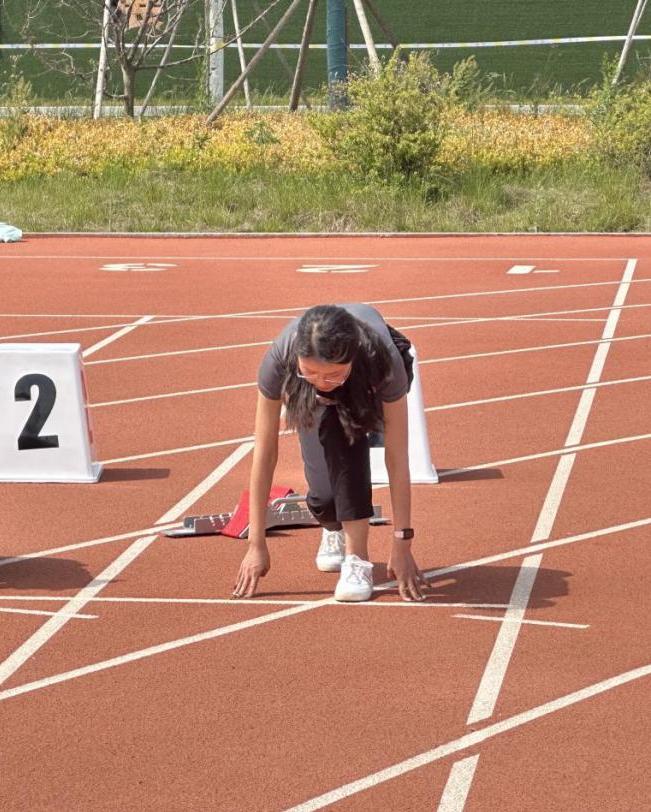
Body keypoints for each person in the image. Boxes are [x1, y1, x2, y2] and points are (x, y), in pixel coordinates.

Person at [232, 303, 428, 603]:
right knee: (324, 498)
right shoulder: (280, 359)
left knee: (346, 448)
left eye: (332, 374)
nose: (323, 383)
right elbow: (265, 453)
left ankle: (357, 560)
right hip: (316, 388)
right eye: (310, 371)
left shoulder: (383, 362)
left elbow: (397, 457)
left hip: (364, 383)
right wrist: (256, 545)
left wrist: (402, 544)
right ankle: (332, 527)